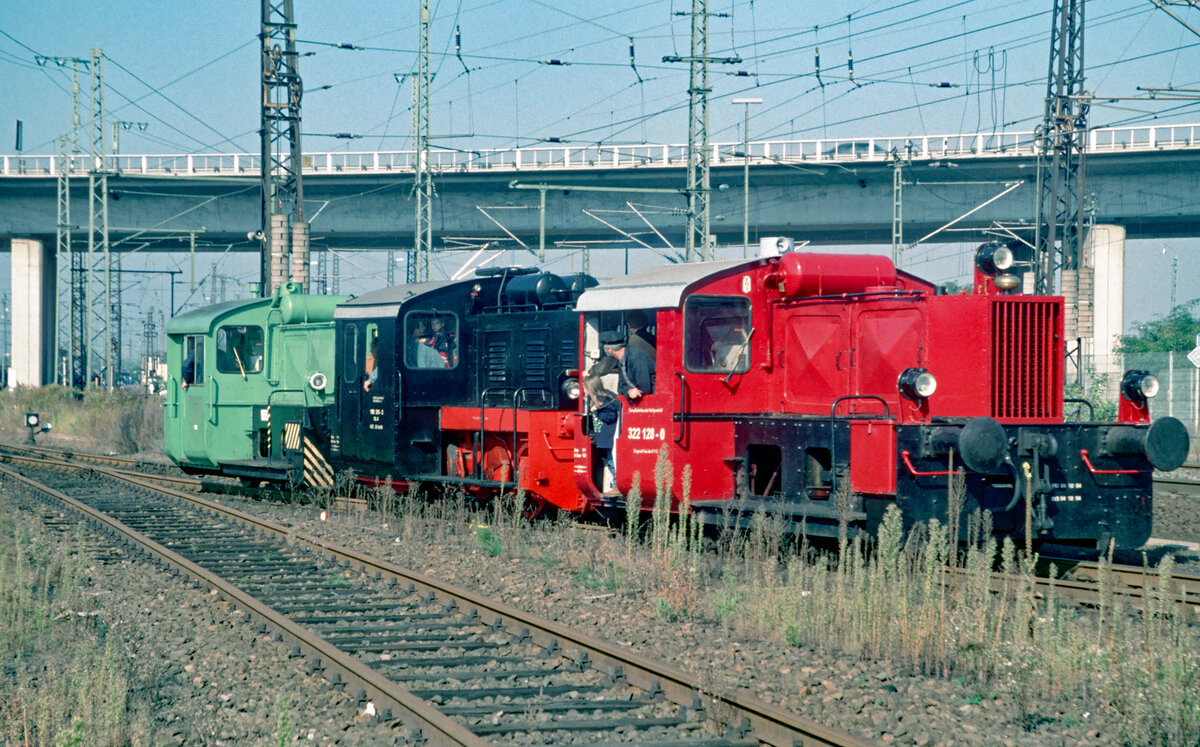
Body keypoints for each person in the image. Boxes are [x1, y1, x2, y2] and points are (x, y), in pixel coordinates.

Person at [599, 330, 655, 401]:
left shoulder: (636, 358)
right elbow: (621, 387)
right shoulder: (621, 360)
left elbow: (645, 388)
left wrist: (631, 391)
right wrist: (628, 391)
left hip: (651, 401)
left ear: (609, 349)